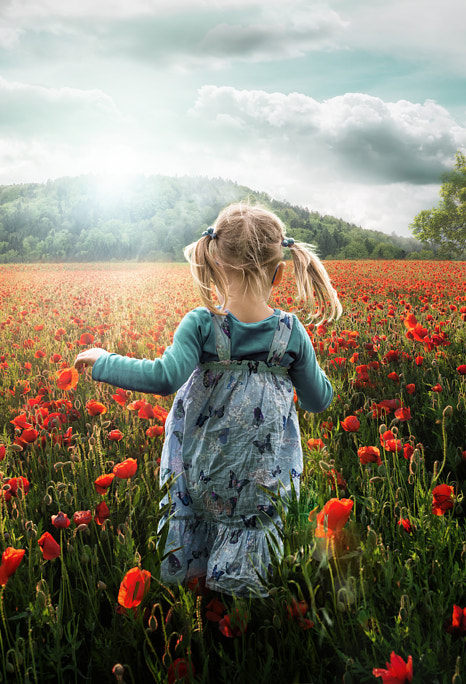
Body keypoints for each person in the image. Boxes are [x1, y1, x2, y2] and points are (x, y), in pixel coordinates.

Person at [74, 203, 342, 597]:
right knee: (249, 563)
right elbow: (318, 400)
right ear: (281, 272)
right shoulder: (291, 331)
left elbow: (164, 377)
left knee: (198, 554)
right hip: (261, 483)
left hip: (203, 476)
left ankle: (200, 604)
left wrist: (103, 360)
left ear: (214, 263)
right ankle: (241, 614)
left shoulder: (202, 323)